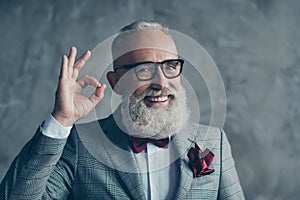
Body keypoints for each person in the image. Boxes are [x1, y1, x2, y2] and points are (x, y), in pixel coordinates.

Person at [0, 20, 244, 199]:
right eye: (144, 69)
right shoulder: (79, 144)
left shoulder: (214, 141)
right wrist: (61, 120)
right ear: (116, 82)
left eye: (170, 66)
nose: (161, 82)